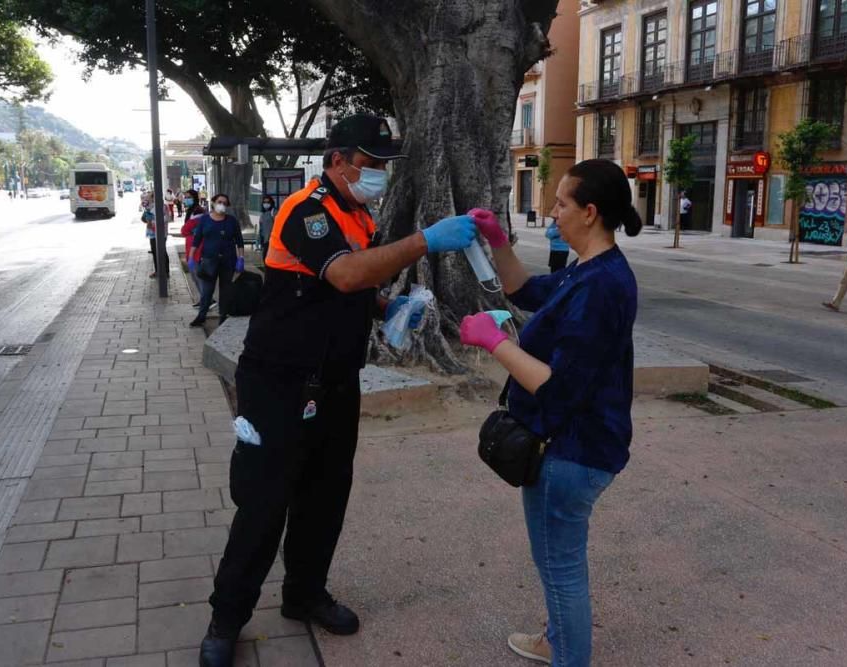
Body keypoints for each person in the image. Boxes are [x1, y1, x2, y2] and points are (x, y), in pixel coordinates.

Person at [198, 114, 479, 667]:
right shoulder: (307, 212)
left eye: (382, 165)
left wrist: (387, 307)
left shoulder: (358, 216)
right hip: (277, 383)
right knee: (263, 504)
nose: (378, 174)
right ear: (338, 161)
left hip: (332, 383)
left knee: (324, 497)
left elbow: (346, 292)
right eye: (370, 164)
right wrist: (425, 241)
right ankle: (226, 619)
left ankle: (304, 595)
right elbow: (346, 274)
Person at [460, 159, 641, 667]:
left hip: (572, 450)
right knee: (555, 560)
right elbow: (523, 291)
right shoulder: (586, 270)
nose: (552, 212)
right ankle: (557, 641)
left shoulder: (602, 286)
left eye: (561, 203)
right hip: (568, 443)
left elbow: (558, 390)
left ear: (589, 212)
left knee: (560, 565)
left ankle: (568, 655)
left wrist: (494, 342)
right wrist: (497, 241)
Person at [190, 194, 246, 326]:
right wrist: (191, 257)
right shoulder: (205, 220)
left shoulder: (231, 221)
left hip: (228, 260)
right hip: (209, 261)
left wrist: (241, 258)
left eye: (225, 203)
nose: (222, 205)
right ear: (213, 203)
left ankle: (223, 315)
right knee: (207, 290)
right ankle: (202, 315)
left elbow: (239, 241)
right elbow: (197, 239)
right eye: (220, 202)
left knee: (225, 289)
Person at [177, 189, 208, 307]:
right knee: (194, 275)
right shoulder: (191, 210)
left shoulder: (198, 211)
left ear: (195, 198)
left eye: (189, 197)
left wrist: (189, 231)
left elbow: (185, 230)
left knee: (198, 274)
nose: (186, 199)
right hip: (191, 245)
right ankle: (203, 298)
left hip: (198, 247)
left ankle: (207, 299)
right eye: (185, 197)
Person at [258, 194, 276, 262]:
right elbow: (261, 229)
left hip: (272, 241)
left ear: (271, 203)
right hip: (265, 241)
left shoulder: (274, 212)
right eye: (264, 202)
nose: (266, 204)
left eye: (268, 202)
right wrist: (259, 241)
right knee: (265, 259)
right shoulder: (262, 214)